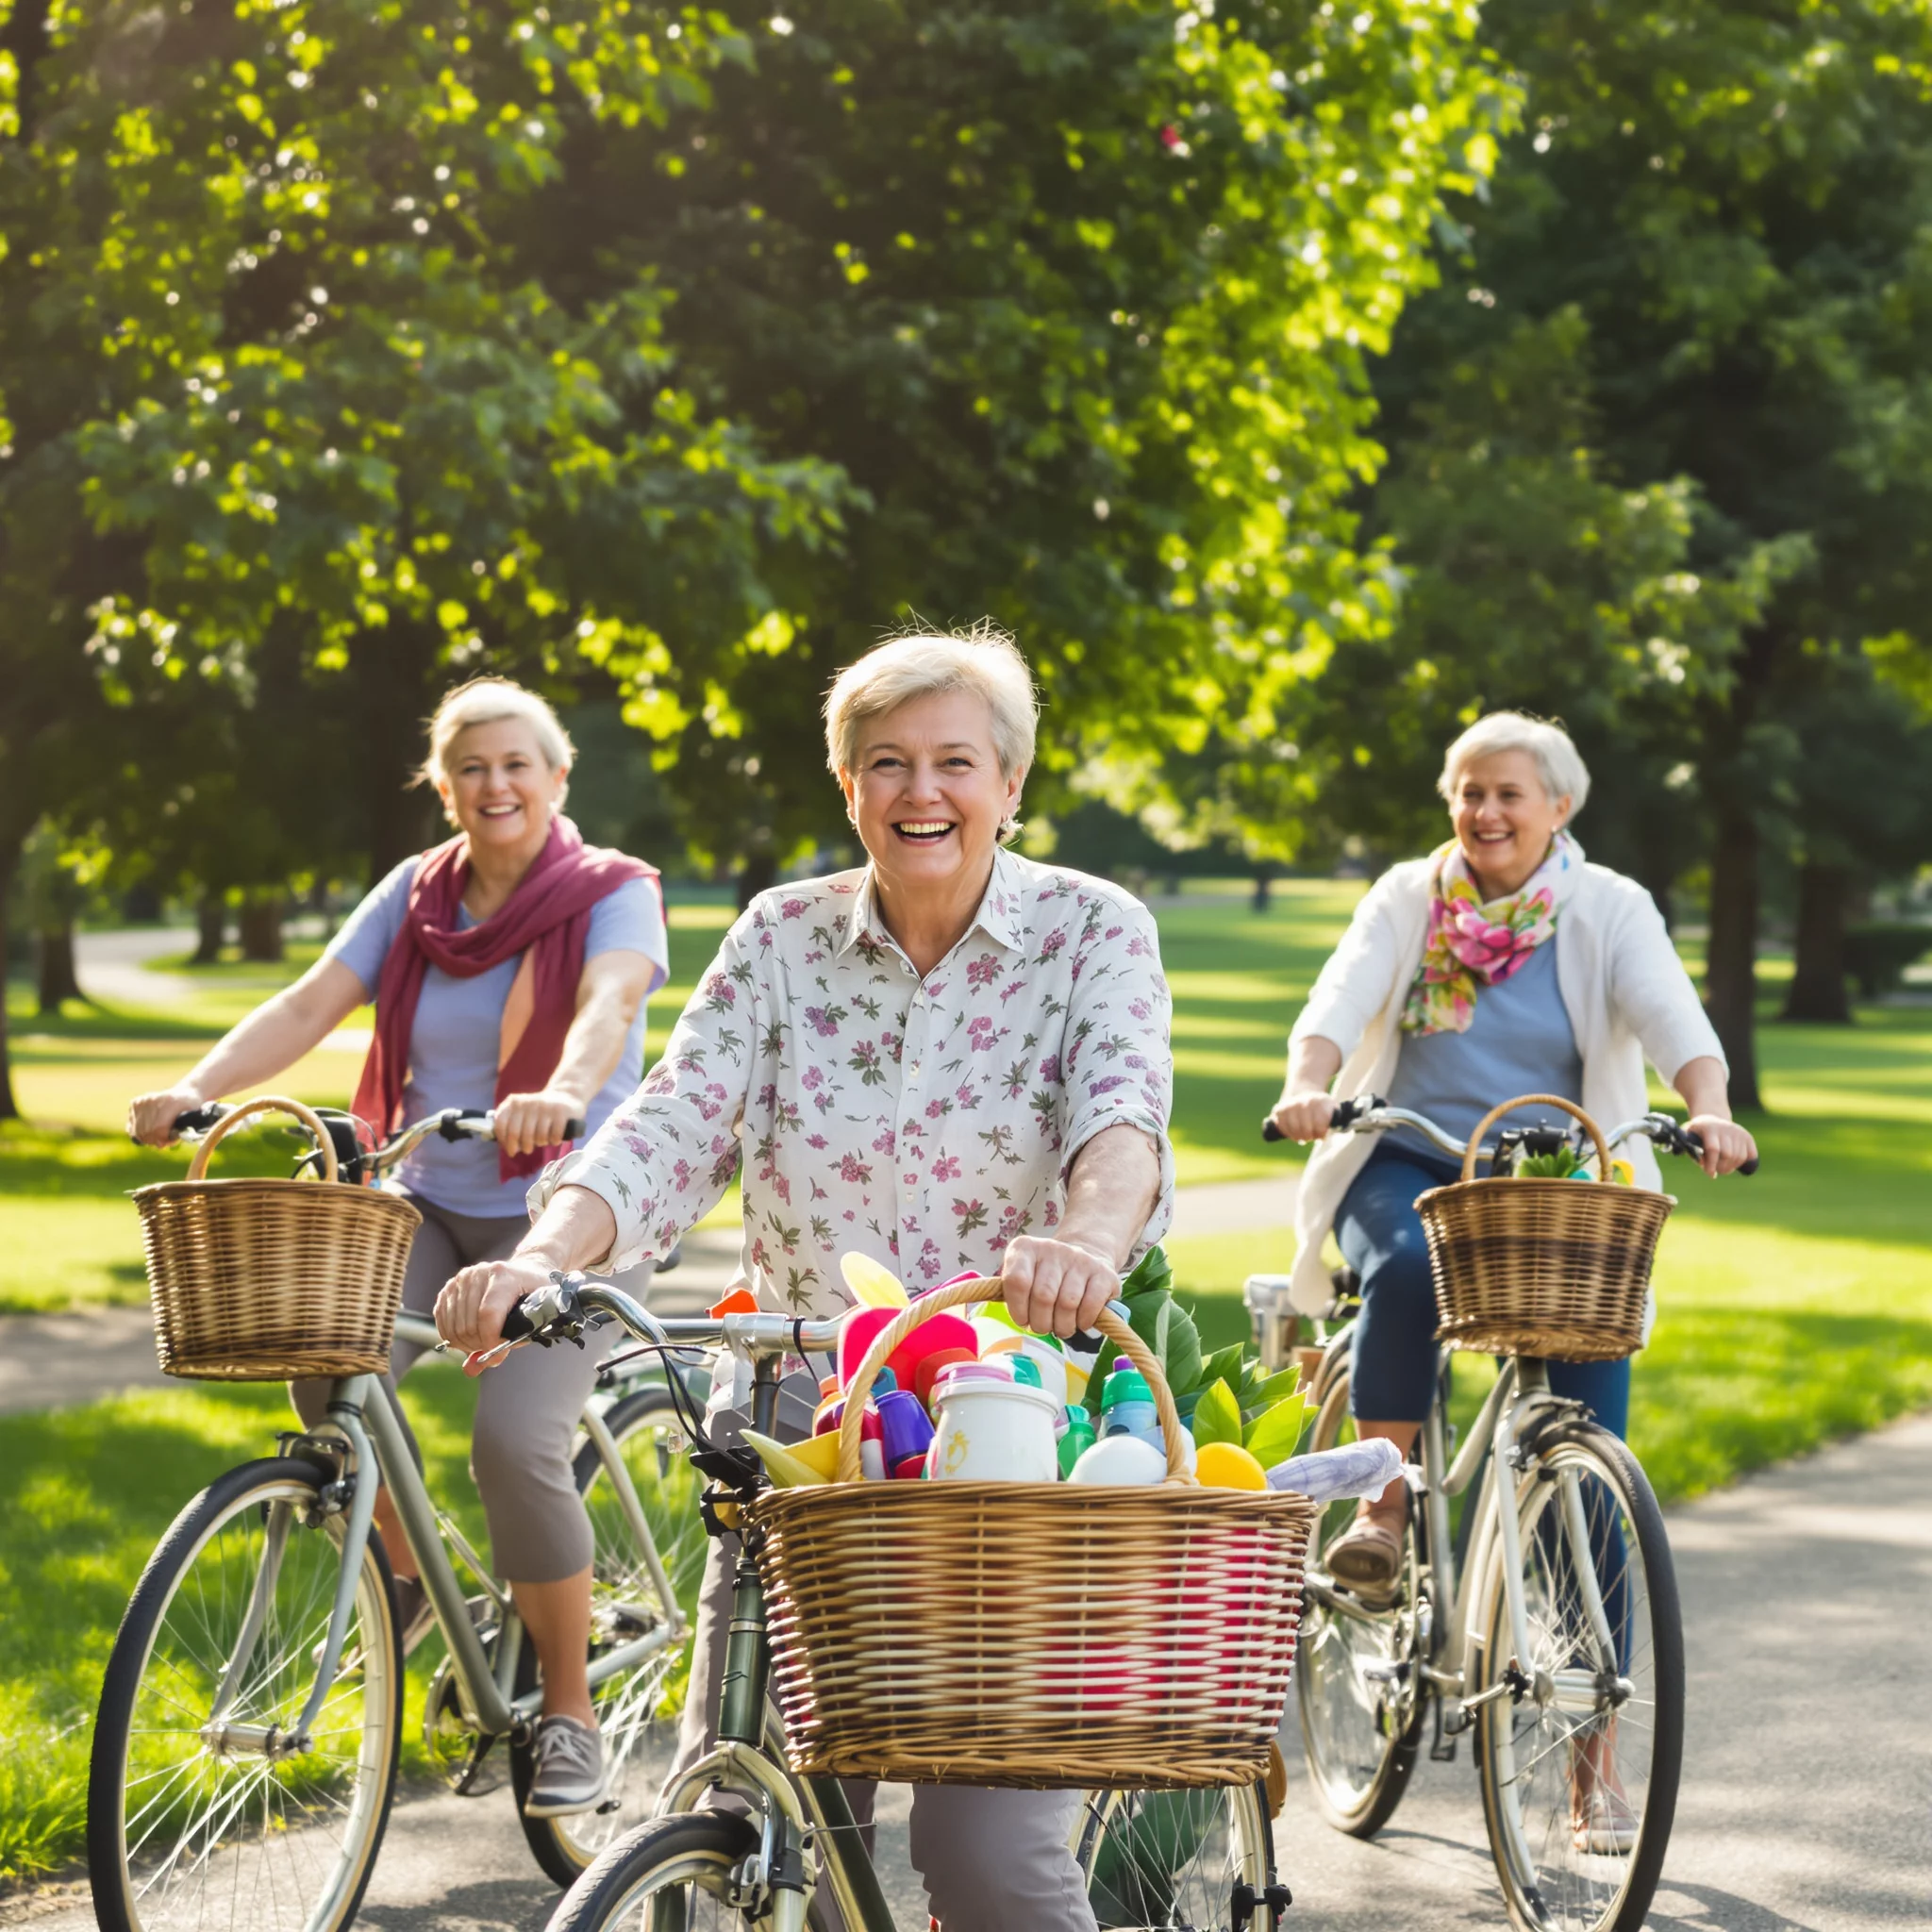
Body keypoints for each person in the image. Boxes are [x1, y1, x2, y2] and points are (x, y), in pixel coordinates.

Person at [438, 626, 1174, 1932]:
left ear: (1010, 784)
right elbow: (674, 1119)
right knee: (768, 1819)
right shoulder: (781, 937)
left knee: (985, 1856)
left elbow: (1122, 1119)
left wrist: (1089, 1241)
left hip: (1005, 1440)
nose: (920, 792)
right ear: (848, 787)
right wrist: (545, 1253)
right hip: (800, 1432)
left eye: (956, 761)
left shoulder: (1089, 931)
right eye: (885, 762)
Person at [128, 676, 669, 1819]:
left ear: (557, 776)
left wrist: (562, 1093)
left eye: (517, 762)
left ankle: (564, 1709)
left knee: (515, 1436)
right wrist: (198, 1085)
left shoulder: (615, 890)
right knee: (322, 1356)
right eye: (470, 765)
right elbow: (307, 1002)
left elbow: (609, 1006)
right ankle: (408, 1578)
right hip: (430, 1191)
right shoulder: (413, 896)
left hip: (573, 1203)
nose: (495, 783)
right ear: (441, 784)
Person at [1269, 711, 1755, 1845]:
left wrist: (1710, 1105)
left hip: (1555, 1171)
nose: (1484, 812)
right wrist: (1309, 1081)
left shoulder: (1606, 906)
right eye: (1468, 792)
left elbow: (1670, 1015)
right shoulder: (1407, 897)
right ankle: (1382, 1518)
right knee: (1403, 1271)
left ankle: (1595, 1773)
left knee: (1589, 1480)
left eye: (1507, 794)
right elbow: (1340, 997)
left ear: (1558, 809)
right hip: (1406, 1156)